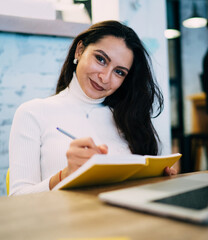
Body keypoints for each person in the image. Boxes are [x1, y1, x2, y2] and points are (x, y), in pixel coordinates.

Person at [9, 20, 176, 196]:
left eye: (119, 72)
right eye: (101, 59)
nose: (105, 78)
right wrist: (65, 175)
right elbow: (18, 198)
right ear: (80, 50)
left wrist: (158, 182)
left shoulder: (128, 120)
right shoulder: (33, 112)